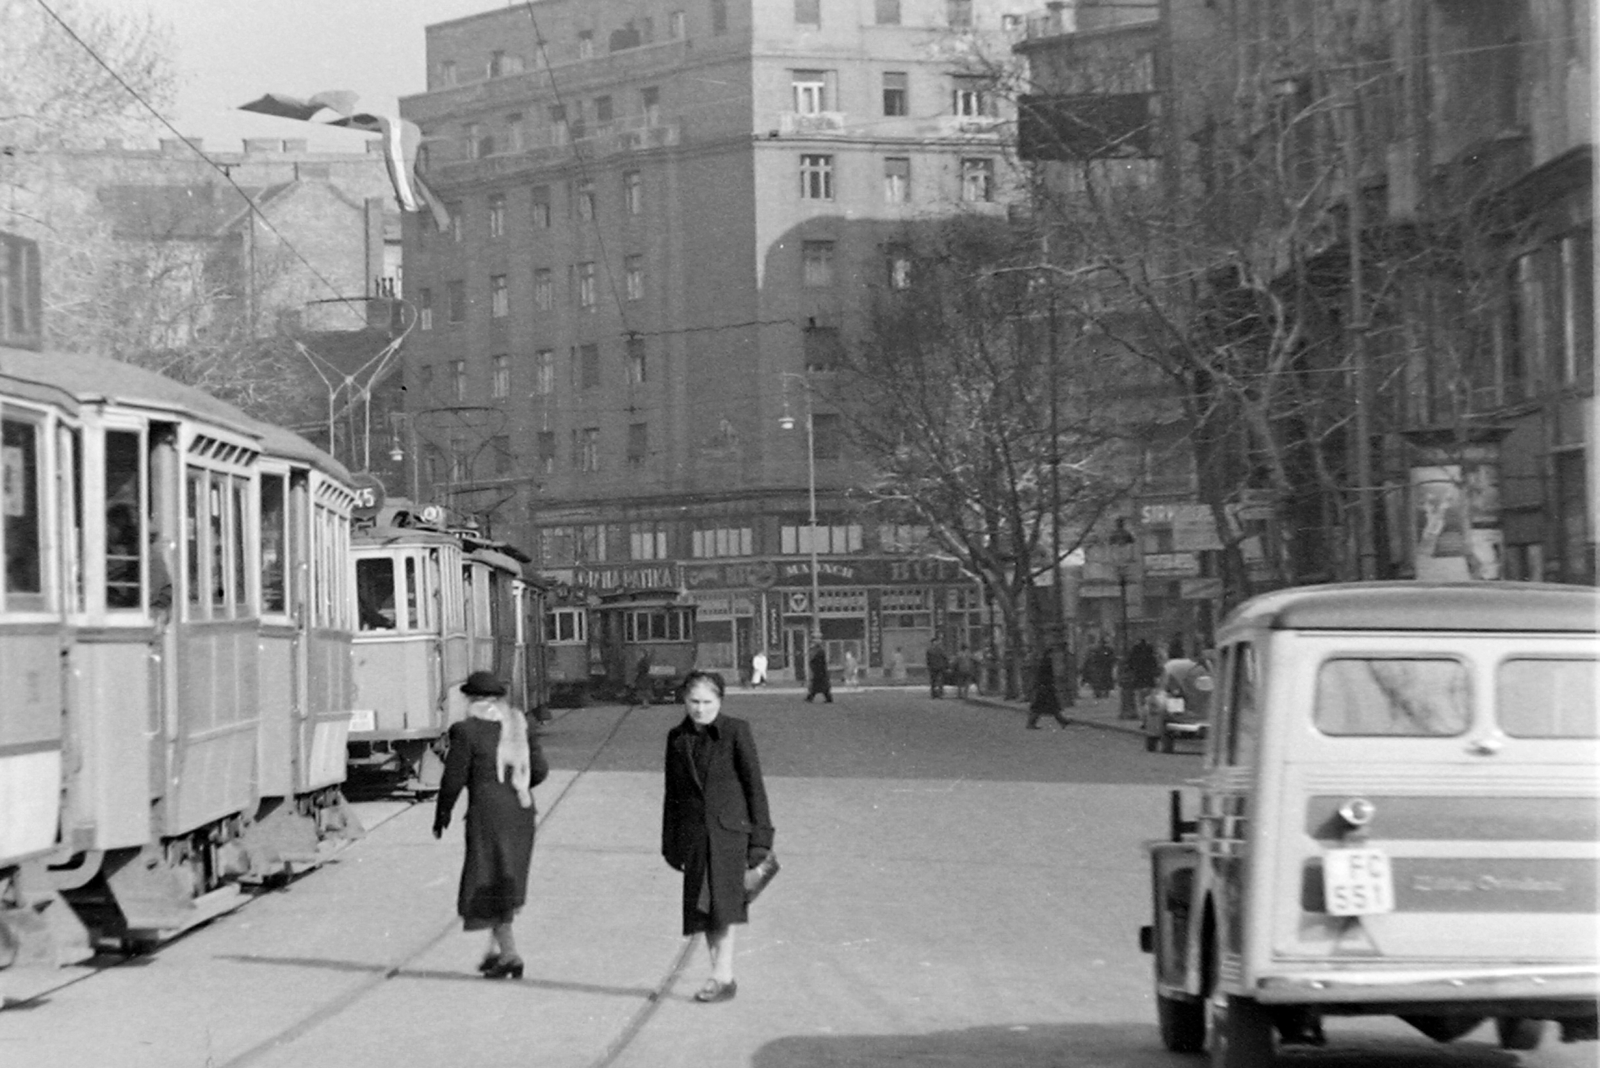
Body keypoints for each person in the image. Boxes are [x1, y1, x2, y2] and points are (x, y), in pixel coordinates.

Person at [662, 670, 775, 1004]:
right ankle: (721, 976)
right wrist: (670, 843)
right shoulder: (676, 737)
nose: (700, 709)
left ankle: (722, 976)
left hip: (730, 835)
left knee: (723, 907)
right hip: (696, 837)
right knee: (704, 909)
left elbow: (755, 786)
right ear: (684, 701)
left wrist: (761, 840)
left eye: (707, 702)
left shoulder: (736, 731)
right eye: (693, 702)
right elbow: (673, 795)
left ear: (720, 701)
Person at [433, 671, 550, 980]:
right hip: (521, 813)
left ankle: (509, 954)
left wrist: (442, 812)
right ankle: (497, 950)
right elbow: (539, 770)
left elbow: (454, 779)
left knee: (489, 879)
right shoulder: (520, 724)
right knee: (504, 879)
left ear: (471, 699)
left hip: (488, 815)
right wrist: (515, 784)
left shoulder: (466, 730)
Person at [1027, 651, 1070, 729]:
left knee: (1049, 707)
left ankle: (1062, 721)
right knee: (1043, 707)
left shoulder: (1044, 662)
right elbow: (1045, 676)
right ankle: (1062, 721)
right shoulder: (1047, 663)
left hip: (1045, 687)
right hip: (1045, 688)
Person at [1123, 637, 1160, 719]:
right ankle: (1149, 716)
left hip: (1139, 678)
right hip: (1149, 679)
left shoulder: (1135, 655)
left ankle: (1144, 717)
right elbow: (1155, 667)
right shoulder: (1151, 656)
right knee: (1149, 698)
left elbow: (1130, 665)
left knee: (1141, 699)